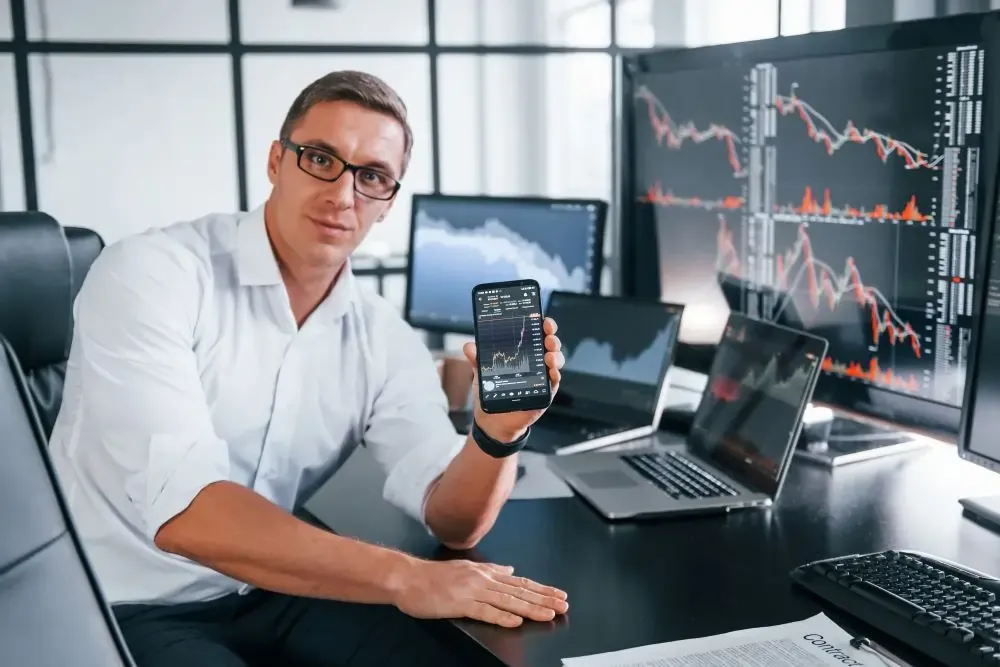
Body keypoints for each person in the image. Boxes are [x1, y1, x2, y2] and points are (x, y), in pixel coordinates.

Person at [48, 70, 568, 667]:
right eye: (321, 159)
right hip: (122, 602)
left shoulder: (382, 337)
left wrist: (498, 434)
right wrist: (405, 577)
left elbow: (451, 521)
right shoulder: (150, 273)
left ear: (389, 201)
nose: (344, 196)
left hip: (276, 590)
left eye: (372, 176)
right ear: (276, 161)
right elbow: (187, 514)